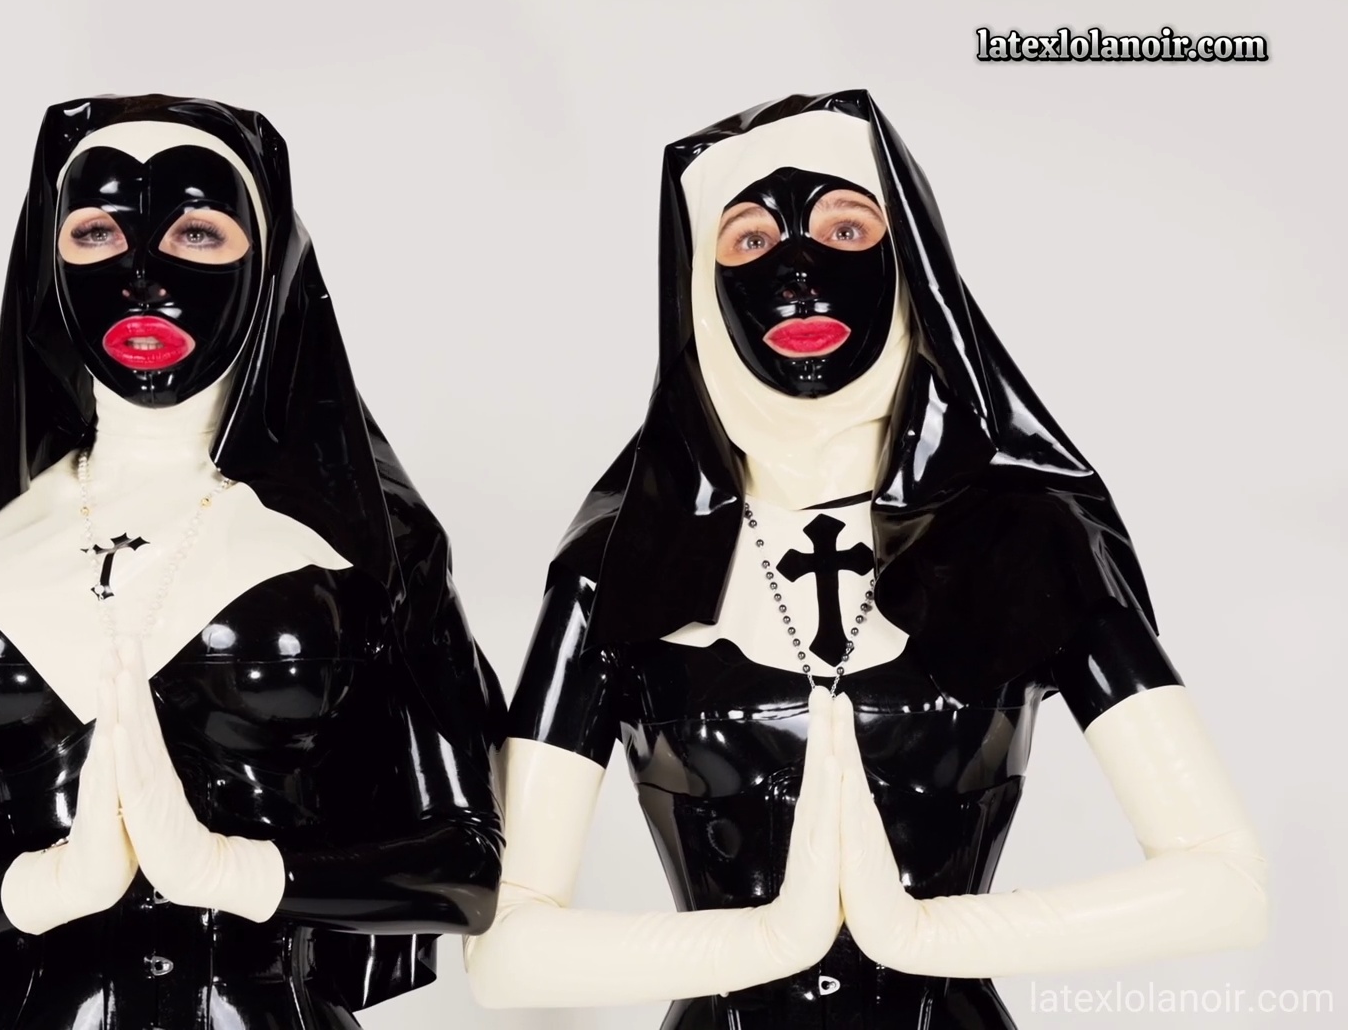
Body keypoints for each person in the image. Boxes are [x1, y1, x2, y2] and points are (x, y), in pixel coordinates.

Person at [463, 90, 1268, 1028]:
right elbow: (503, 948)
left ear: (909, 262)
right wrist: (767, 940)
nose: (799, 270)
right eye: (751, 240)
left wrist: (924, 935)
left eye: (845, 228)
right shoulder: (621, 566)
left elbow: (1227, 885)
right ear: (699, 289)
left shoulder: (1028, 538)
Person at [0, 94, 505, 1030]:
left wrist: (232, 872)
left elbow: (466, 867)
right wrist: (47, 886)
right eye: (96, 233)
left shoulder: (366, 547)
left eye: (197, 233)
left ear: (268, 261)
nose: (140, 276)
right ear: (47, 263)